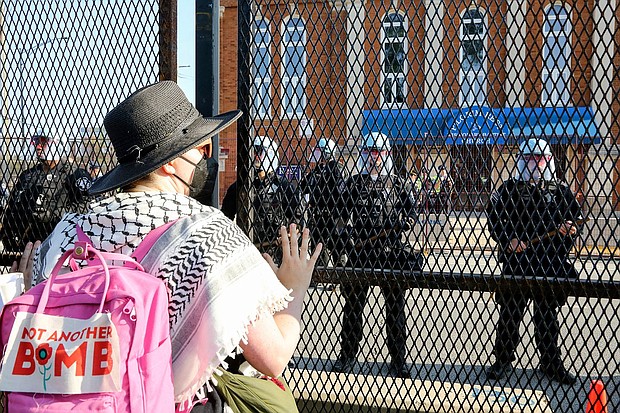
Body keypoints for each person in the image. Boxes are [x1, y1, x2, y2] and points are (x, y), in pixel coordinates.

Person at [27, 81, 322, 411]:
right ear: (169, 162)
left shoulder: (67, 234)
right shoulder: (205, 233)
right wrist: (294, 287)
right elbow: (273, 358)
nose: (203, 159)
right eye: (201, 148)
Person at [486, 138, 581, 385]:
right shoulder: (508, 189)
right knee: (510, 313)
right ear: (521, 160)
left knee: (547, 315)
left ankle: (551, 363)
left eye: (540, 158)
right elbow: (493, 217)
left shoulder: (560, 189)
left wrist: (569, 229)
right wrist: (509, 240)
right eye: (529, 157)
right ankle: (503, 359)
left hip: (548, 262)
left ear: (548, 160)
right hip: (518, 262)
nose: (535, 162)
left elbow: (576, 219)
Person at [332, 132, 420, 378]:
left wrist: (407, 222)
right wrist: (345, 239)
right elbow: (338, 218)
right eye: (371, 151)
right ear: (364, 154)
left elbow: (413, 212)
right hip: (360, 253)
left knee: (395, 308)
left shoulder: (399, 183)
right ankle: (347, 355)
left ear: (387, 154)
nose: (375, 157)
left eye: (379, 152)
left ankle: (398, 359)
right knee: (352, 308)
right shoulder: (353, 184)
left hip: (390, 253)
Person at [0, 134, 91, 252]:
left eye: (43, 142)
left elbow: (85, 207)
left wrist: (52, 214)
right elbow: (12, 208)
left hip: (60, 245)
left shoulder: (75, 174)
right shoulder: (28, 175)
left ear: (58, 143)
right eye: (36, 141)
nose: (38, 147)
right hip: (26, 246)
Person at [298, 137, 349, 267]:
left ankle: (341, 278)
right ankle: (320, 275)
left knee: (336, 247)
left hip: (333, 216)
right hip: (317, 215)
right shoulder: (317, 170)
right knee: (318, 248)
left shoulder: (337, 169)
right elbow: (303, 186)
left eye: (319, 151)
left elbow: (342, 193)